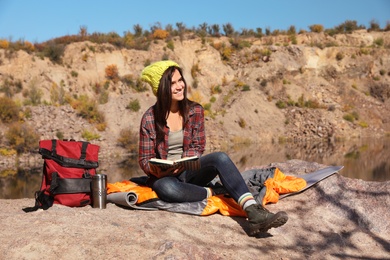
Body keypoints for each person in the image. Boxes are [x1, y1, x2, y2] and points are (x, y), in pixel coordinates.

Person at [138, 60, 288, 236]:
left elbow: (198, 145)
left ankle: (253, 211)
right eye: (173, 83)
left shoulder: (195, 110)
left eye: (180, 80)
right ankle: (215, 191)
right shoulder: (149, 118)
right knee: (166, 189)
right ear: (161, 89)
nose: (180, 86)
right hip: (165, 177)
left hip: (189, 170)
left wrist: (184, 160)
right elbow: (144, 159)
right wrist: (158, 169)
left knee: (220, 158)